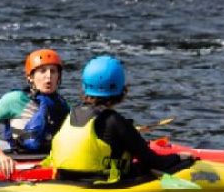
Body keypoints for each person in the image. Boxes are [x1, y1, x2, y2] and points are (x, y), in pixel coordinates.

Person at [44, 55, 191, 183]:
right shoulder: (115, 121)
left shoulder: (70, 115)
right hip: (101, 184)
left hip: (63, 180)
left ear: (85, 87)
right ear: (121, 90)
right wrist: (179, 158)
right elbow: (154, 162)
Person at [0, 47, 69, 178]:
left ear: (59, 77)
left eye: (53, 71)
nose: (49, 76)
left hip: (49, 160)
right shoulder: (15, 99)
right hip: (20, 159)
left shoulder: (63, 105)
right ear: (31, 77)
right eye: (42, 71)